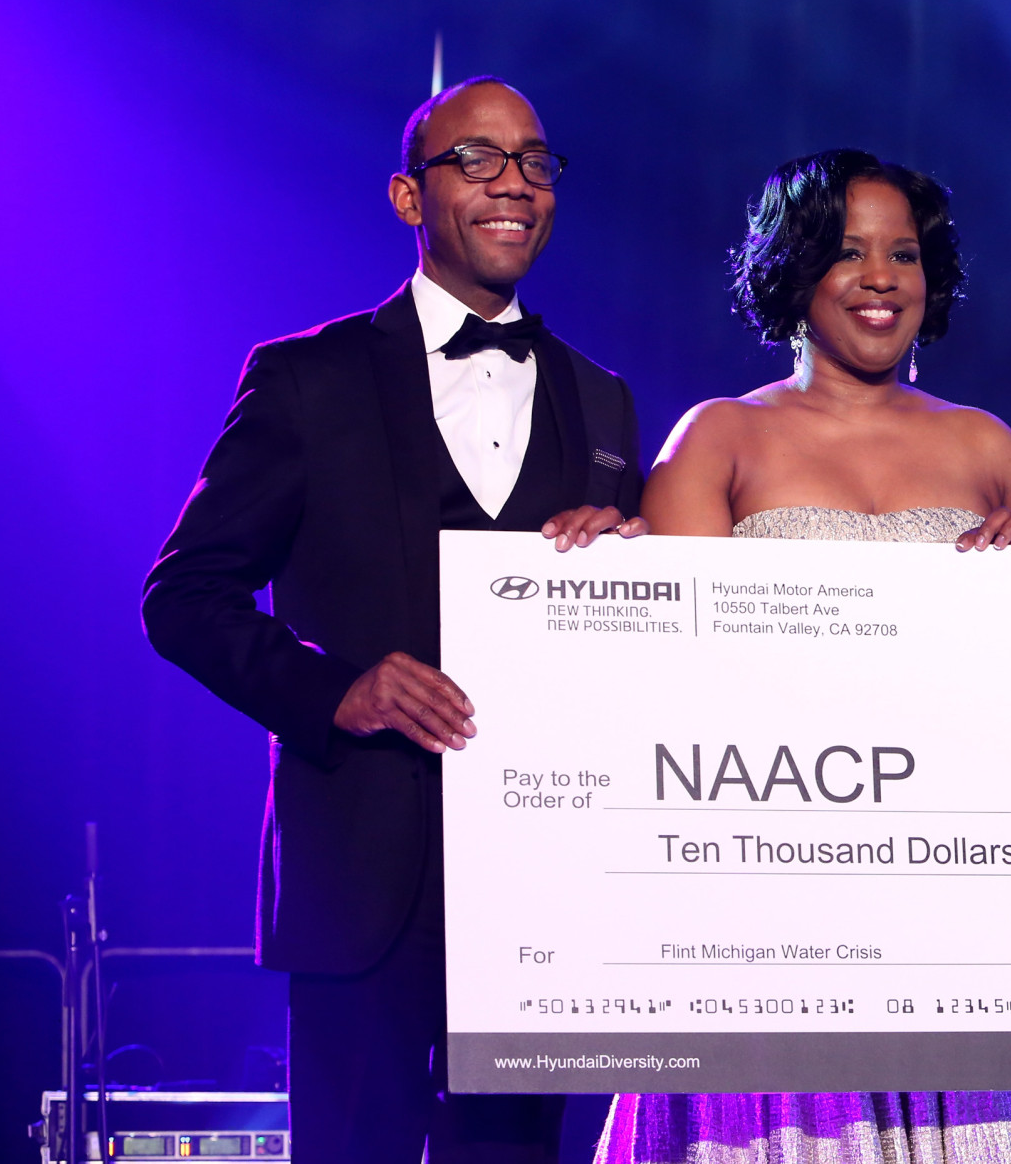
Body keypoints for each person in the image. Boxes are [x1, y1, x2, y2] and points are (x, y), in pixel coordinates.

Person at [142, 76, 646, 1164]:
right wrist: (337, 689)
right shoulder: (303, 380)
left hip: (541, 888)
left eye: (535, 161)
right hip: (358, 877)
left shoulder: (602, 400)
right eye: (477, 159)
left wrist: (629, 567)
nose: (514, 182)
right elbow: (183, 596)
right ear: (408, 198)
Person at [593, 148, 1011, 1164]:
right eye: (847, 252)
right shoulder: (716, 440)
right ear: (793, 270)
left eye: (905, 254)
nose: (882, 277)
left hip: (968, 904)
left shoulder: (988, 446)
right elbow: (670, 686)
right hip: (773, 900)